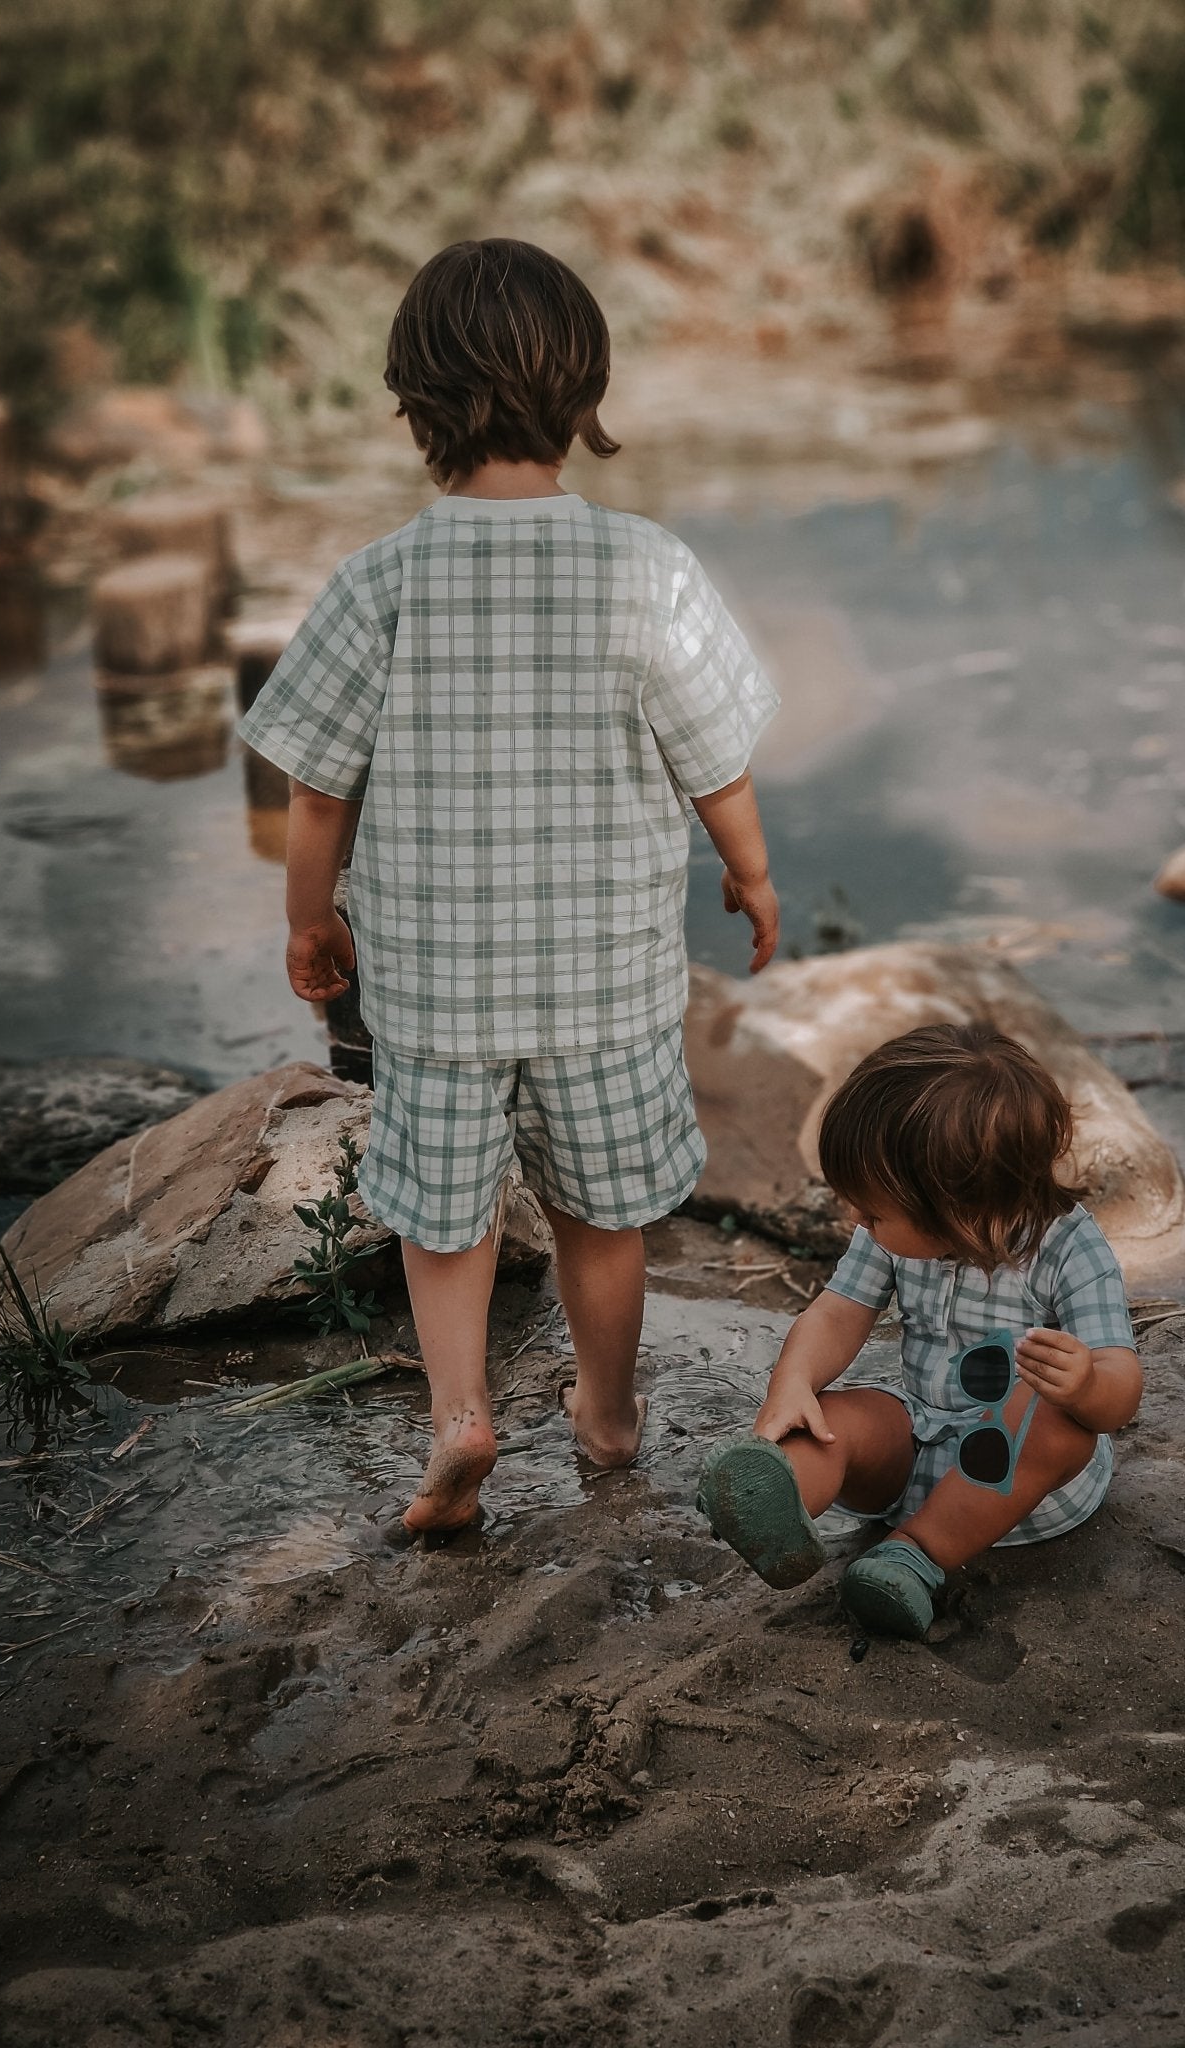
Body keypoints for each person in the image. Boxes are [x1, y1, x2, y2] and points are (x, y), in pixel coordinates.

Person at [238, 238, 780, 1536]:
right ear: (585, 397)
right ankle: (607, 1416)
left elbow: (316, 790)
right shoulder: (647, 567)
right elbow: (718, 762)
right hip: (605, 979)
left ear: (415, 405)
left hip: (437, 985)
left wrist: (311, 920)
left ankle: (462, 1419)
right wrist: (753, 877)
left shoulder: (380, 582)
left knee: (446, 1220)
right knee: (601, 1218)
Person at [697, 1022, 1142, 1639]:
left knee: (1058, 1421)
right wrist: (791, 1385)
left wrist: (1087, 1382)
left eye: (873, 1210)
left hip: (1017, 1486)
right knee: (831, 1419)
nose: (855, 1217)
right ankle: (775, 1493)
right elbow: (837, 1311)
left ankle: (915, 1555)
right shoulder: (894, 1233)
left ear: (963, 1212)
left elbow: (1121, 1393)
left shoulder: (1069, 1248)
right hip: (918, 1438)